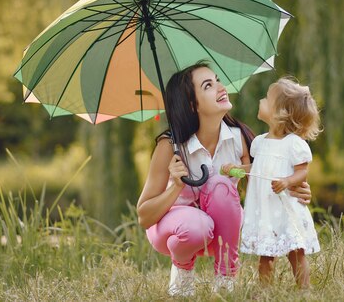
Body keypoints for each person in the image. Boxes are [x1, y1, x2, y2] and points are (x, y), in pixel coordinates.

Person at [136, 62, 313, 297]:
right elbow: (145, 216)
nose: (221, 87)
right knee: (196, 224)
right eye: (208, 85)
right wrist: (176, 186)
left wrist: (296, 187)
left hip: (220, 234)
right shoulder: (169, 146)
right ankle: (182, 273)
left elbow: (266, 178)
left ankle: (225, 281)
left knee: (220, 185)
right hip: (172, 232)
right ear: (192, 105)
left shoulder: (240, 138)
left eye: (217, 79)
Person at [222, 77, 321, 288]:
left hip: (286, 208)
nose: (261, 100)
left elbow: (302, 171)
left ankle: (304, 287)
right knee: (265, 255)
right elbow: (257, 170)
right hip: (266, 209)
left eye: (267, 99)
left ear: (280, 113)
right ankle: (264, 290)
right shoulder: (259, 142)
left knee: (295, 251)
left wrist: (287, 180)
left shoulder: (294, 144)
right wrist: (236, 169)